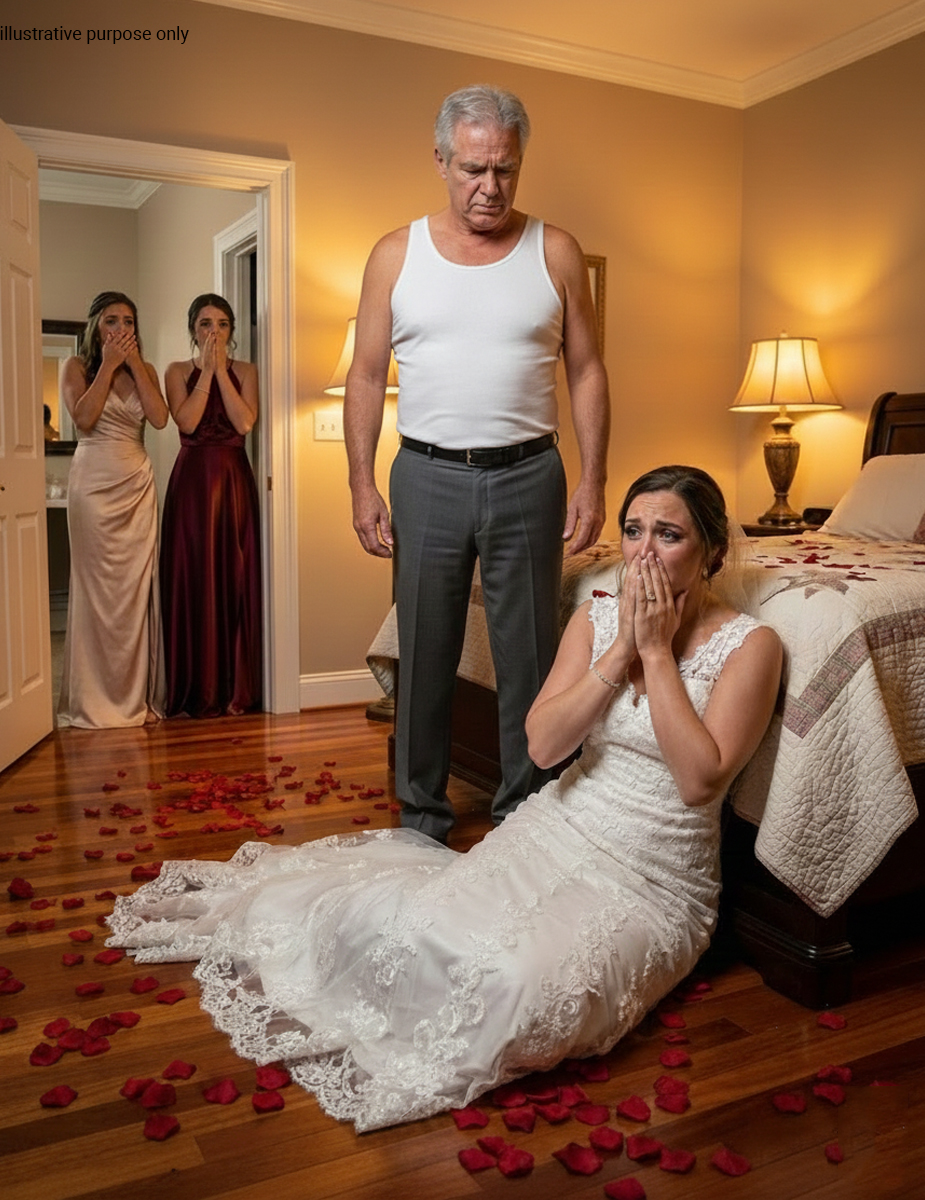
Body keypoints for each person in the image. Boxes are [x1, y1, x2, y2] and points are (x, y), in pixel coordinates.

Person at [107, 465, 783, 1134]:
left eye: (669, 535)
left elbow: (699, 783)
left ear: (712, 553)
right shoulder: (595, 617)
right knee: (410, 932)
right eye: (633, 531)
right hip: (559, 828)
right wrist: (619, 653)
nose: (643, 553)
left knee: (520, 992)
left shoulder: (752, 647)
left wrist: (657, 654)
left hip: (655, 881)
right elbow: (544, 746)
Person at [345, 84, 609, 845]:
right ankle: (421, 816)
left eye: (505, 170)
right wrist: (362, 483)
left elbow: (586, 370)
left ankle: (525, 813)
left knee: (529, 656)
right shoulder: (394, 254)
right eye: (472, 169)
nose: (490, 187)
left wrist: (593, 479)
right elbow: (366, 374)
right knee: (425, 651)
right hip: (424, 475)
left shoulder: (556, 252)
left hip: (530, 475)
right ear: (440, 160)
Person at [58, 291, 169, 729]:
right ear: (95, 327)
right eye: (111, 320)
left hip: (136, 485)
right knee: (96, 591)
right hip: (92, 486)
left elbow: (159, 419)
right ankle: (92, 699)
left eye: (128, 321)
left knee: (135, 591)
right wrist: (107, 365)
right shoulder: (76, 367)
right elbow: (83, 419)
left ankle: (134, 695)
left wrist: (135, 365)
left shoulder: (147, 370)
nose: (121, 329)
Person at [160, 294, 263, 717]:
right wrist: (206, 371)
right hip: (192, 486)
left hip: (233, 483)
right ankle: (194, 687)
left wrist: (222, 372)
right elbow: (186, 421)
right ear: (193, 330)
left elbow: (244, 422)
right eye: (205, 324)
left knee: (234, 576)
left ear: (232, 331)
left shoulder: (247, 371)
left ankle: (235, 687)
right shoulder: (175, 371)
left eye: (222, 324)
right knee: (193, 577)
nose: (214, 332)